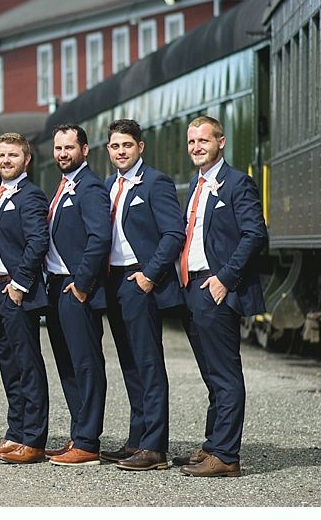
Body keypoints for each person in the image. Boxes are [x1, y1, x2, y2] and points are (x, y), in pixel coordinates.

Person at [176, 115, 267, 478]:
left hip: (215, 290)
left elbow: (255, 234)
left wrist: (224, 279)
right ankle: (214, 444)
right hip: (192, 289)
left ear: (221, 142)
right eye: (192, 142)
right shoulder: (196, 186)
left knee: (226, 375)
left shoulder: (236, 183)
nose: (197, 147)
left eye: (204, 141)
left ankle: (227, 456)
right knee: (212, 375)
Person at [100, 119, 185, 471]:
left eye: (127, 146)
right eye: (116, 146)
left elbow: (173, 233)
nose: (121, 152)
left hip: (139, 280)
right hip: (113, 282)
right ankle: (137, 440)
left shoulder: (155, 182)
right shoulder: (107, 185)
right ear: (108, 150)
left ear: (140, 147)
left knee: (148, 363)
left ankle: (155, 446)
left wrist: (150, 275)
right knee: (130, 364)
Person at [0, 133, 50, 465]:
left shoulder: (30, 196)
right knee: (10, 367)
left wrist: (20, 283)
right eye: (1, 155)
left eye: (12, 155)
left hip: (16, 291)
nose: (6, 160)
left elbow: (38, 241)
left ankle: (33, 440)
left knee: (28, 365)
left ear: (27, 159)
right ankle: (15, 434)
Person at [43, 123, 111, 466]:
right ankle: (77, 433)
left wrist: (83, 285)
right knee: (67, 365)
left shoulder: (91, 188)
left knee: (86, 364)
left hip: (75, 287)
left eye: (69, 148)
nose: (62, 154)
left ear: (84, 150)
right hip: (56, 286)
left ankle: (88, 441)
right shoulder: (64, 185)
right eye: (58, 148)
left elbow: (100, 238)